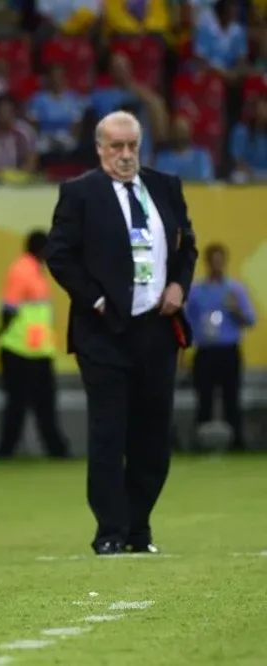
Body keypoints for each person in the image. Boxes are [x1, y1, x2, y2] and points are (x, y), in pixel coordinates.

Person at [46, 110, 197, 556]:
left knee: (153, 434)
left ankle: (139, 527)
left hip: (157, 330)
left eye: (133, 145)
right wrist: (94, 299)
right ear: (99, 148)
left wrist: (178, 285)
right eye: (117, 146)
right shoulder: (80, 192)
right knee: (109, 432)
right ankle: (110, 530)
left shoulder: (166, 186)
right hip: (103, 331)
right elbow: (59, 255)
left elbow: (187, 246)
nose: (126, 154)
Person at [0, 230, 70, 459]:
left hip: (35, 351)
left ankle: (54, 450)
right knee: (22, 406)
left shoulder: (35, 270)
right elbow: (9, 307)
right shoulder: (23, 270)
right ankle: (8, 451)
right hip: (20, 351)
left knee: (38, 406)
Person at [184, 243, 256, 451]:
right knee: (203, 399)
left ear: (224, 261)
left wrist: (235, 309)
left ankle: (237, 444)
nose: (217, 264)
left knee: (231, 399)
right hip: (205, 351)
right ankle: (200, 444)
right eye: (213, 260)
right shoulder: (196, 291)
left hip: (228, 350)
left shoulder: (235, 290)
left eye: (220, 260)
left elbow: (250, 320)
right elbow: (187, 323)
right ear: (207, 262)